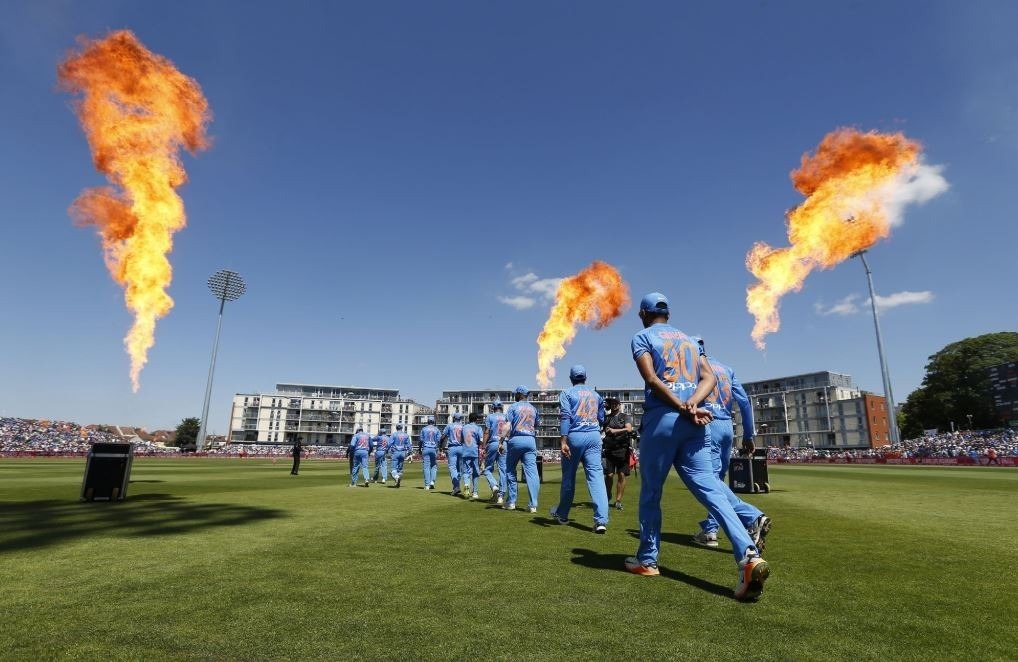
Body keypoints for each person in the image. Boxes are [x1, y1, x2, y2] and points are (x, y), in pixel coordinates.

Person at [623, 292, 769, 601]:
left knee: (651, 492)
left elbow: (651, 379)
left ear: (644, 314)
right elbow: (709, 379)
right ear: (669, 313)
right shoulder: (690, 341)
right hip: (697, 422)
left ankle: (647, 560)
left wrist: (679, 405)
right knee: (713, 491)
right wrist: (692, 403)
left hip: (663, 419)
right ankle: (748, 555)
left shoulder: (642, 336)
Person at [692, 337, 771, 552]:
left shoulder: (692, 365)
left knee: (708, 480)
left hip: (708, 423)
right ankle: (710, 529)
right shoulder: (726, 368)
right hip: (727, 427)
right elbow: (744, 402)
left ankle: (752, 517)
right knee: (716, 480)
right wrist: (748, 435)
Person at [550, 365, 610, 533]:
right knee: (596, 477)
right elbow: (601, 418)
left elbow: (565, 416)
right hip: (593, 436)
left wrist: (563, 440)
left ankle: (562, 514)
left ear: (571, 378)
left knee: (569, 476)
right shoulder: (596, 395)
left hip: (575, 436)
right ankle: (601, 520)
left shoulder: (567, 393)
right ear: (585, 377)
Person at [499, 386, 540, 513]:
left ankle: (511, 502)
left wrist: (501, 442)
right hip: (530, 440)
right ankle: (533, 505)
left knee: (510, 470)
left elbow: (507, 426)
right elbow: (537, 425)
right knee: (532, 473)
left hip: (516, 440)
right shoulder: (533, 408)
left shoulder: (513, 407)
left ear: (518, 394)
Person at [602, 397, 633, 510]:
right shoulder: (606, 418)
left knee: (621, 475)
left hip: (622, 450)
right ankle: (608, 494)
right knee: (609, 475)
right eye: (612, 403)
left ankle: (618, 500)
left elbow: (629, 429)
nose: (614, 405)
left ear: (619, 405)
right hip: (609, 450)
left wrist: (615, 431)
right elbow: (600, 429)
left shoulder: (624, 417)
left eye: (616, 403)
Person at [482, 399, 508, 503]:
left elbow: (487, 432)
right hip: (504, 443)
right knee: (503, 470)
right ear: (501, 407)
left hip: (493, 443)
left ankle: (494, 486)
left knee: (487, 469)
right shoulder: (506, 416)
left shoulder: (490, 417)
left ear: (493, 408)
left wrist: (483, 446)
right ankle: (501, 496)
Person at [441, 412, 467, 495]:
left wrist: (440, 445)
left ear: (454, 418)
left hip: (452, 447)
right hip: (462, 447)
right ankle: (456, 486)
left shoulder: (450, 425)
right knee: (460, 469)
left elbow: (443, 436)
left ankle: (456, 486)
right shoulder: (464, 426)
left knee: (452, 467)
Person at [461, 413, 484, 499]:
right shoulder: (478, 428)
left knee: (466, 471)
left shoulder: (464, 427)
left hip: (465, 451)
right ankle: (475, 492)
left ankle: (467, 486)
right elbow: (481, 441)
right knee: (475, 472)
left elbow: (461, 440)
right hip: (474, 452)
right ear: (476, 419)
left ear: (469, 419)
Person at [419, 417, 441, 490]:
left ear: (427, 421)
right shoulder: (437, 429)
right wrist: (438, 449)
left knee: (426, 467)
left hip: (426, 448)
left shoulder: (424, 429)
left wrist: (419, 449)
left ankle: (427, 485)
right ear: (434, 422)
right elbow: (439, 440)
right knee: (434, 466)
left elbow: (421, 440)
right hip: (433, 449)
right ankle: (432, 481)